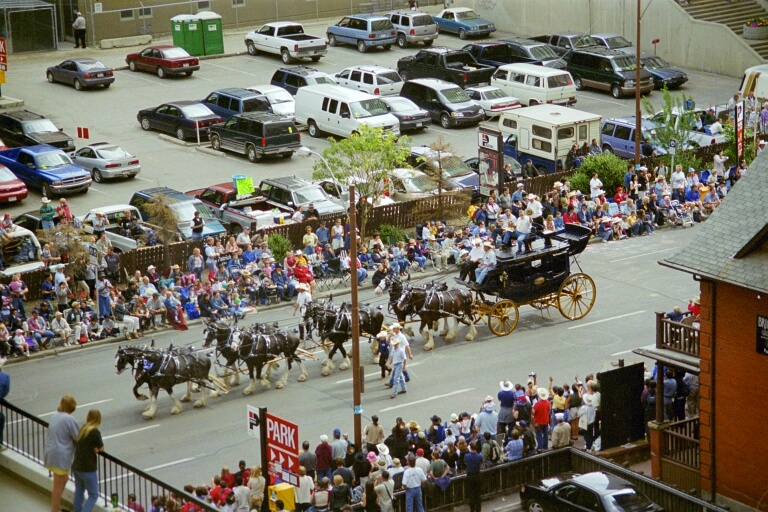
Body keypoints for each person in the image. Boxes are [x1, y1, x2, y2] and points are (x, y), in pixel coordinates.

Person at [45, 394, 79, 512]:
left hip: (51, 453)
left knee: (64, 479)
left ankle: (56, 506)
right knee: (58, 485)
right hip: (61, 457)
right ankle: (55, 509)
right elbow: (77, 436)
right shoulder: (69, 419)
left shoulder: (55, 416)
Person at [72, 409, 104, 512]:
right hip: (88, 468)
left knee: (79, 491)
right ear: (98, 419)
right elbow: (101, 448)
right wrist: (97, 449)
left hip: (77, 466)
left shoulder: (83, 429)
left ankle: (77, 510)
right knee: (93, 495)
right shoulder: (94, 431)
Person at [464, 441, 483, 512]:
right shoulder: (479, 456)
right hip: (477, 474)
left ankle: (472, 508)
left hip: (470, 475)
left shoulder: (467, 456)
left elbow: (466, 463)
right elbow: (480, 464)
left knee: (471, 492)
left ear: (470, 448)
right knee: (478, 492)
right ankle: (478, 508)